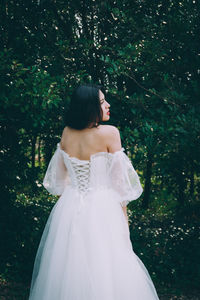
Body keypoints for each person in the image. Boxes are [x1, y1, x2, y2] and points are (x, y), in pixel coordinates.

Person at [28, 84, 159, 300]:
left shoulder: (67, 133)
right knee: (109, 266)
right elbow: (120, 187)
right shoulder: (110, 133)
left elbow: (60, 181)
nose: (107, 105)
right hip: (103, 207)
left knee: (69, 267)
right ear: (90, 107)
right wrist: (124, 222)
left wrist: (69, 210)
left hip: (70, 207)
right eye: (101, 102)